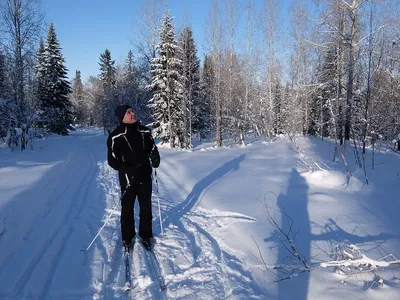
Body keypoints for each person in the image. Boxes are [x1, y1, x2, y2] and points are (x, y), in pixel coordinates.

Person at [107, 104, 160, 252]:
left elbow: (152, 149)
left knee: (146, 208)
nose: (132, 113)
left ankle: (145, 235)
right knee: (127, 208)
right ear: (121, 117)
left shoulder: (145, 131)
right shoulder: (115, 136)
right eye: (128, 112)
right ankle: (127, 237)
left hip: (144, 175)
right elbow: (112, 160)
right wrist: (127, 170)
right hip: (127, 178)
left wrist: (155, 158)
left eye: (132, 111)